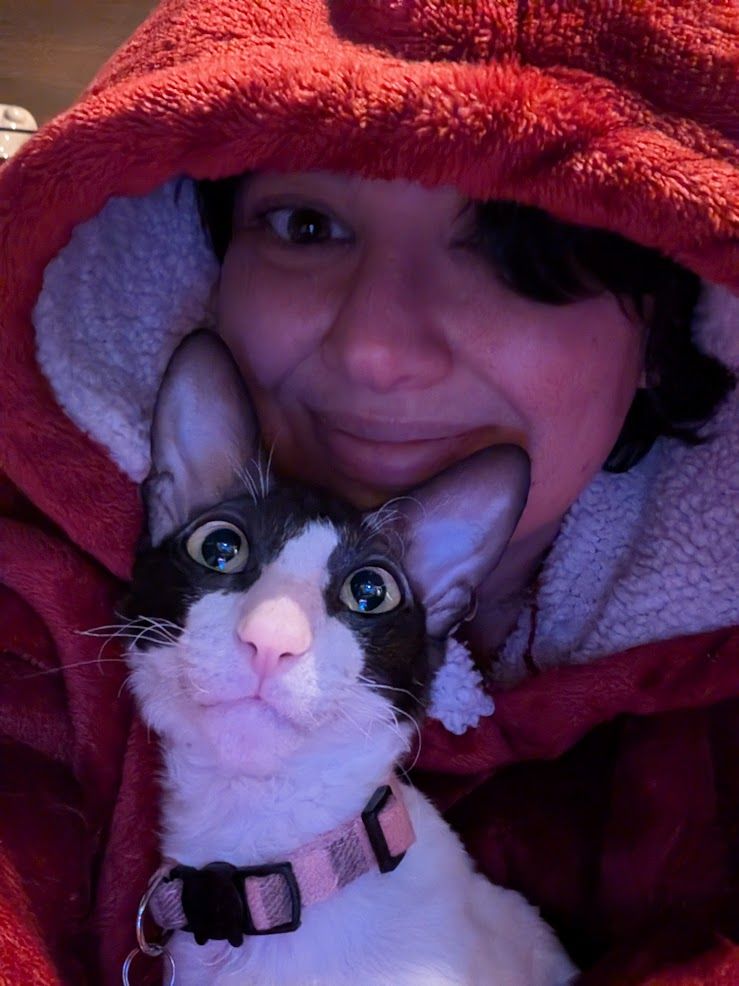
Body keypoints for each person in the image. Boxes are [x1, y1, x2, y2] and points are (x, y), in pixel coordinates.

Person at [0, 2, 736, 984]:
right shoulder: (38, 606)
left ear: (666, 319)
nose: (376, 348)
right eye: (307, 225)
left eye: (519, 253)